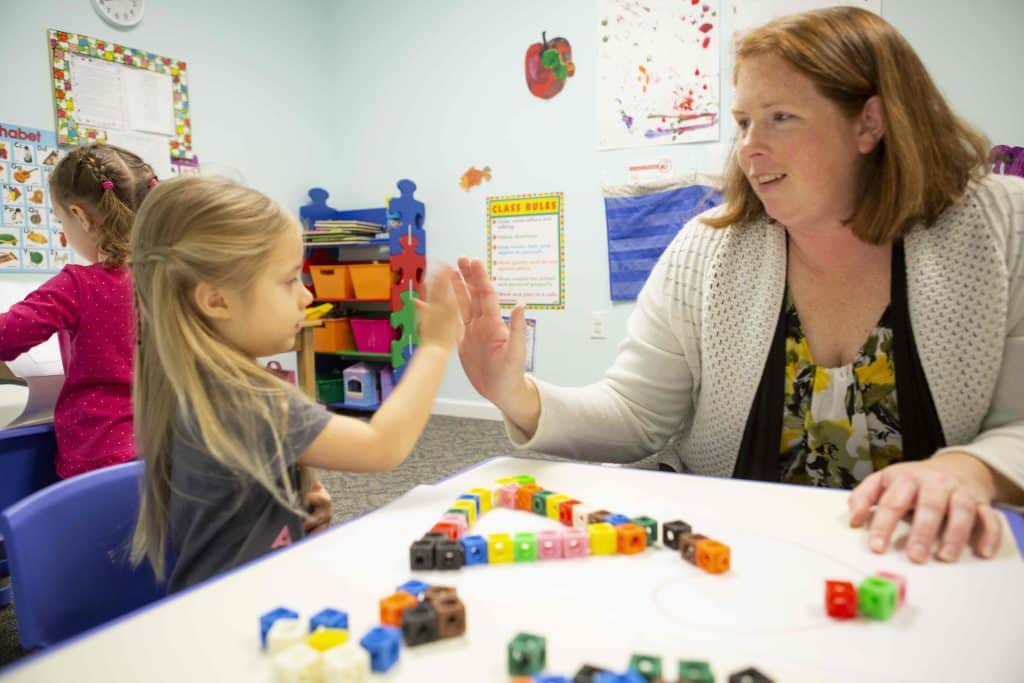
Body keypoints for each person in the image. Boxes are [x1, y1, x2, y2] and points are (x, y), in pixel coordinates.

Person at [452, 7, 1023, 565]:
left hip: (925, 566)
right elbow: (636, 413)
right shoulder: (704, 250)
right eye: (744, 121)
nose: (749, 146)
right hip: (738, 562)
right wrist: (516, 393)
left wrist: (972, 470)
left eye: (780, 117)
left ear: (869, 124)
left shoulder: (1004, 227)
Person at [128, 176, 460, 592]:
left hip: (235, 592)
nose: (306, 296)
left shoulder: (197, 385)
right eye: (288, 281)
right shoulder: (246, 398)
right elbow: (381, 445)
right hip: (231, 611)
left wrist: (286, 503)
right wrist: (435, 347)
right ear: (216, 300)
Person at [0, 143, 158, 478]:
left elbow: (5, 337)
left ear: (80, 217)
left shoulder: (78, 283)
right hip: (169, 445)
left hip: (99, 455)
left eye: (59, 219)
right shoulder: (171, 277)